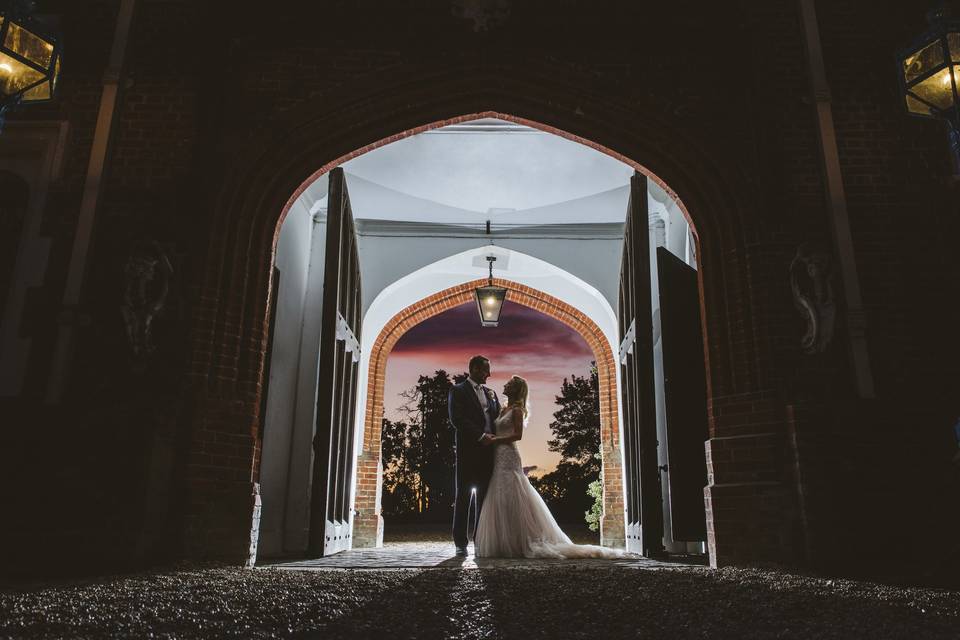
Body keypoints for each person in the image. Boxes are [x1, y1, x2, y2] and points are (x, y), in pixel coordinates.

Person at [474, 375, 625, 559]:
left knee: (513, 491)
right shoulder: (503, 408)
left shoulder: (517, 411)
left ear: (515, 389)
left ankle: (521, 540)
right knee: (500, 493)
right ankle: (505, 540)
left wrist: (495, 440)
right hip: (498, 456)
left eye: (509, 384)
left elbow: (517, 435)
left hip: (509, 454)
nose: (505, 385)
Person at [447, 355, 500, 555]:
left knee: (485, 498)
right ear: (475, 369)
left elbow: (497, 418)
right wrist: (480, 436)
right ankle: (460, 543)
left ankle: (480, 539)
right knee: (463, 496)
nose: (489, 374)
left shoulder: (491, 393)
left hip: (489, 453)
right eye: (486, 370)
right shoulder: (457, 390)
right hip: (468, 451)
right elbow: (457, 419)